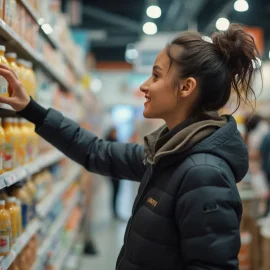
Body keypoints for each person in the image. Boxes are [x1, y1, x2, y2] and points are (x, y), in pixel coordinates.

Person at [0, 24, 261, 269]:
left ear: (186, 87)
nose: (144, 86)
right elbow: (96, 151)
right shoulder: (168, 155)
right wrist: (30, 109)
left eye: (156, 75)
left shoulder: (204, 173)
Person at [105, 127, 121, 220]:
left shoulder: (115, 141)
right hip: (113, 172)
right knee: (114, 192)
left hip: (117, 172)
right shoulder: (109, 143)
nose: (116, 133)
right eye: (115, 132)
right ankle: (114, 212)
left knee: (116, 192)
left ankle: (115, 211)